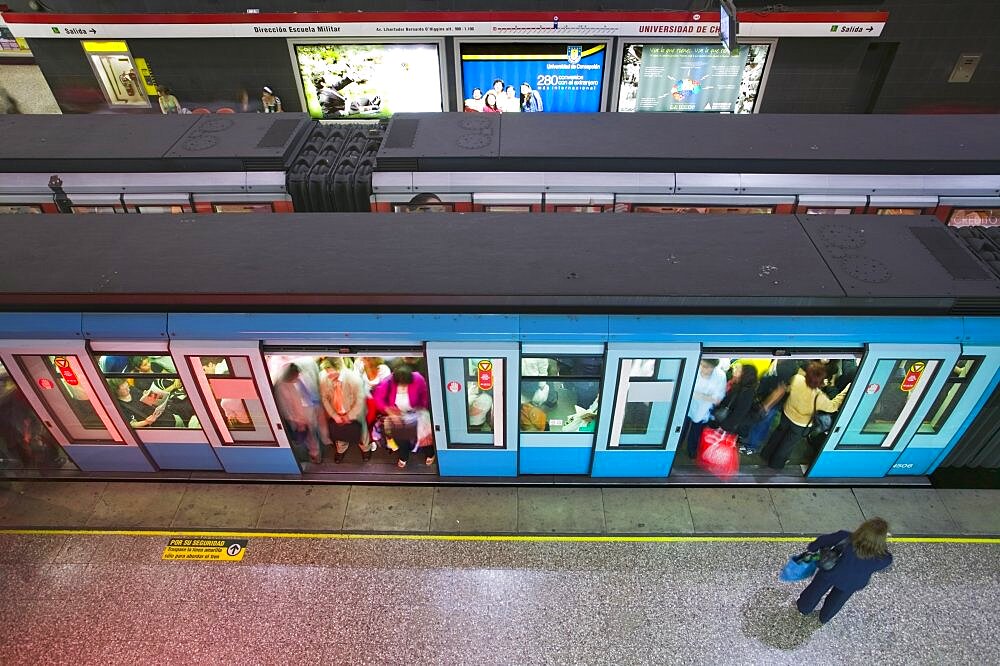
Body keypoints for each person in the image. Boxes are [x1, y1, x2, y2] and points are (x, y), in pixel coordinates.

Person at [797, 517, 893, 623]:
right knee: (837, 601)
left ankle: (804, 608)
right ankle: (825, 617)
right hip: (853, 583)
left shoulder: (844, 537)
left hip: (831, 572)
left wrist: (813, 548)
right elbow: (882, 566)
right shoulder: (884, 558)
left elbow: (821, 541)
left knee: (815, 591)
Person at [760, 362, 850, 470]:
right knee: (788, 444)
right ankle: (776, 464)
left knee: (778, 434)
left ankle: (766, 454)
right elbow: (833, 406)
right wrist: (846, 390)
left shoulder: (797, 379)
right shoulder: (819, 397)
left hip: (787, 413)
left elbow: (787, 389)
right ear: (821, 381)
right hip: (800, 424)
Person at [373, 366, 431, 469]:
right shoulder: (388, 382)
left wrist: (422, 407)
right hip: (398, 414)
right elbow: (378, 398)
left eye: (406, 384)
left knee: (425, 434)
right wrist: (389, 411)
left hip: (417, 411)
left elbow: (424, 394)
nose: (404, 386)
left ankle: (429, 453)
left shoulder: (418, 378)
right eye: (401, 384)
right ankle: (404, 456)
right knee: (400, 436)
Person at [273, 362, 326, 464]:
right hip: (299, 419)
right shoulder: (281, 388)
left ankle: (315, 453)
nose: (298, 376)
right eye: (296, 374)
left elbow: (307, 394)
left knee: (312, 434)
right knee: (309, 438)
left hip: (308, 412)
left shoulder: (297, 380)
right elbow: (285, 408)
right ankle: (314, 456)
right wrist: (298, 421)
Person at [319, 357, 369, 463]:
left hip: (355, 413)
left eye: (331, 373)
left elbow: (360, 400)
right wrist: (334, 415)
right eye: (327, 372)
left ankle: (365, 449)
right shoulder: (324, 377)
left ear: (339, 368)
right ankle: (341, 450)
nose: (329, 376)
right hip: (337, 412)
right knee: (340, 434)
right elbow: (324, 398)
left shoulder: (354, 378)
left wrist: (348, 416)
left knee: (362, 433)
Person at [685, 359, 727, 458]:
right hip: (687, 404)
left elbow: (718, 399)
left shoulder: (720, 376)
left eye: (706, 367)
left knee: (696, 430)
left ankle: (692, 449)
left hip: (703, 409)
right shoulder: (694, 369)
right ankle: (676, 446)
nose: (702, 369)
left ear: (713, 367)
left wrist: (699, 395)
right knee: (682, 427)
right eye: (701, 365)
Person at [712, 364, 759, 441]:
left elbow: (738, 414)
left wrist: (724, 427)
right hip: (724, 420)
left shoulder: (747, 393)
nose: (735, 371)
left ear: (745, 375)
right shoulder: (737, 384)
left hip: (728, 426)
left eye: (739, 371)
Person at [109, 378, 174, 429]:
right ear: (116, 390)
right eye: (123, 386)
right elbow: (131, 424)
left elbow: (146, 398)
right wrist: (146, 422)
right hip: (152, 424)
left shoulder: (132, 389)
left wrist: (148, 394)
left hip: (159, 413)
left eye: (125, 383)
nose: (127, 387)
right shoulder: (119, 405)